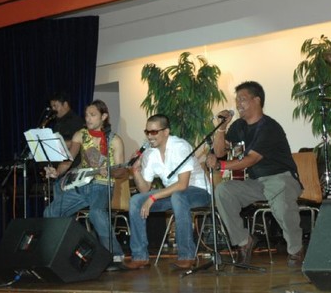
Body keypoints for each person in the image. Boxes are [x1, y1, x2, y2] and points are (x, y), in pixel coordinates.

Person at [205, 81, 304, 267]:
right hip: (256, 182)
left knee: (281, 203)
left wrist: (220, 165)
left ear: (257, 100)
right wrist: (221, 128)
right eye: (236, 100)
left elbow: (251, 159)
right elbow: (219, 152)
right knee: (223, 191)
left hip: (281, 177)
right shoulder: (239, 126)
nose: (238, 104)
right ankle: (244, 242)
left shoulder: (269, 127)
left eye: (242, 99)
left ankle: (296, 250)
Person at [43, 99, 127, 267]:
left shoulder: (114, 140)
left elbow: (122, 171)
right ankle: (67, 252)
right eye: (86, 115)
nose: (88, 118)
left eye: (92, 115)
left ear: (104, 116)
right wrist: (57, 172)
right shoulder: (80, 134)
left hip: (102, 185)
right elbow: (68, 160)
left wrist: (110, 171)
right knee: (50, 212)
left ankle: (116, 255)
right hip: (81, 184)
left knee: (96, 213)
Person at [123, 114, 211, 270]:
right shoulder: (150, 153)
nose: (149, 136)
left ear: (166, 132)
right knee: (136, 200)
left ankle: (187, 255)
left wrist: (153, 197)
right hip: (173, 194)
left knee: (178, 196)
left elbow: (182, 184)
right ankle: (140, 256)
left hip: (199, 191)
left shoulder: (180, 147)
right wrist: (135, 171)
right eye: (147, 132)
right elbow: (144, 189)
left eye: (154, 132)